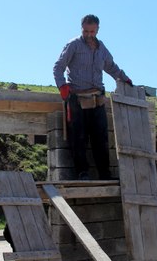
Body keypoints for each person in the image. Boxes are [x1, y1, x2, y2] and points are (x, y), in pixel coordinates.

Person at [53, 14, 133, 180]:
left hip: (98, 99)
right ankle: (82, 173)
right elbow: (58, 67)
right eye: (86, 31)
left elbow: (111, 67)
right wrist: (62, 87)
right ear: (81, 28)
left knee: (100, 138)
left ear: (97, 30)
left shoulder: (102, 48)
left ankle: (105, 174)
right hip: (77, 99)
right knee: (78, 138)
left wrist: (124, 78)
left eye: (92, 31)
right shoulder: (73, 45)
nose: (89, 34)